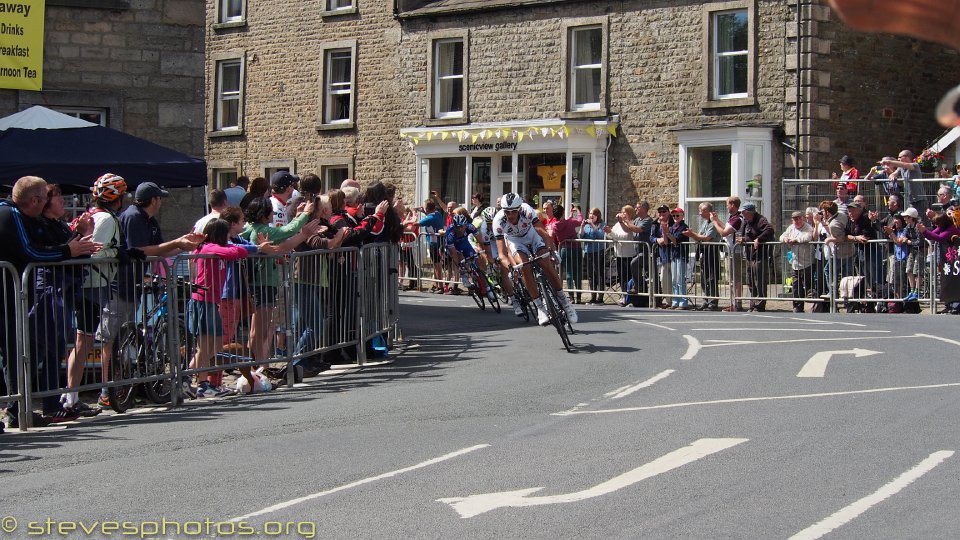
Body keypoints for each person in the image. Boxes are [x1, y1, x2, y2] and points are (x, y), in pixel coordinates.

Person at [2, 178, 100, 428]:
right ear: (34, 201)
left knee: (18, 354)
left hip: (15, 294)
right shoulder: (10, 214)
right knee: (16, 353)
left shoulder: (23, 217)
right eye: (45, 198)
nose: (47, 204)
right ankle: (15, 408)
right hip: (7, 295)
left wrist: (74, 243)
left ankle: (17, 410)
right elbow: (31, 251)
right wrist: (69, 251)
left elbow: (43, 247)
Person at [187, 219, 270, 398]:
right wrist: (257, 248)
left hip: (211, 301)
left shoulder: (216, 249)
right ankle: (192, 381)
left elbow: (235, 250)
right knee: (205, 345)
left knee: (215, 342)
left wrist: (253, 248)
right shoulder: (208, 247)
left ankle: (197, 381)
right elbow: (234, 252)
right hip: (203, 300)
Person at [239, 197, 320, 364]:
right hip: (263, 282)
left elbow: (283, 241)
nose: (273, 214)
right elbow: (287, 231)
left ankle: (256, 364)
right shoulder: (262, 230)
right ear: (264, 214)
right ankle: (258, 366)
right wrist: (305, 214)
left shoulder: (250, 228)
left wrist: (299, 217)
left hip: (258, 282)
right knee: (259, 331)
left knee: (257, 329)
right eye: (270, 212)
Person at [493, 193, 577, 325]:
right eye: (507, 212)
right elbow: (502, 254)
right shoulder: (498, 221)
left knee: (545, 262)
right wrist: (510, 266)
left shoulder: (527, 210)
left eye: (514, 211)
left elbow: (542, 232)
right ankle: (540, 308)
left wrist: (551, 250)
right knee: (524, 267)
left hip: (533, 236)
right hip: (516, 242)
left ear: (519, 208)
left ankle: (565, 302)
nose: (510, 215)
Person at [684, 202, 722, 311]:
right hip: (704, 252)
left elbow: (706, 237)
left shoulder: (714, 224)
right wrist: (694, 235)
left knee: (712, 278)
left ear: (709, 211)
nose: (700, 213)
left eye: (702, 210)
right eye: (699, 210)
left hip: (712, 252)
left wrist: (692, 235)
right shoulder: (705, 223)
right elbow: (699, 236)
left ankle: (713, 302)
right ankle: (706, 300)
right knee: (704, 278)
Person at [737, 203, 775, 312]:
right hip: (750, 255)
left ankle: (760, 305)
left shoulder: (761, 219)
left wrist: (759, 238)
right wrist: (743, 239)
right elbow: (746, 235)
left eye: (744, 212)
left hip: (760, 255)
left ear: (750, 212)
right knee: (750, 281)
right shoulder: (746, 222)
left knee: (760, 281)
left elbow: (769, 230)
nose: (743, 214)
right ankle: (752, 304)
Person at [710, 196, 745, 311]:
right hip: (730, 250)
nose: (726, 207)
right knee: (732, 278)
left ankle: (737, 303)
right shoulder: (733, 217)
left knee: (736, 278)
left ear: (733, 205)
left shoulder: (737, 219)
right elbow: (727, 228)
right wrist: (717, 219)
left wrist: (714, 222)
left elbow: (724, 233)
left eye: (727, 205)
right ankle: (733, 302)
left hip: (735, 251)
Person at [603, 205, 640, 307]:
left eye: (625, 212)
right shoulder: (618, 224)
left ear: (630, 214)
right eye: (622, 212)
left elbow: (624, 236)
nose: (622, 214)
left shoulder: (630, 224)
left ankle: (629, 298)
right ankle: (624, 296)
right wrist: (608, 232)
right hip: (619, 254)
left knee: (628, 277)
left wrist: (611, 233)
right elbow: (613, 235)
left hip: (628, 254)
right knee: (622, 277)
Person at [780, 211, 815, 312]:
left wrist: (795, 240)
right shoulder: (791, 227)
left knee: (809, 285)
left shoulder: (808, 227)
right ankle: (797, 306)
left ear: (802, 218)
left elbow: (808, 237)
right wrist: (786, 239)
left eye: (799, 218)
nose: (797, 221)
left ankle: (812, 306)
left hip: (807, 262)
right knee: (796, 286)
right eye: (795, 219)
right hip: (795, 262)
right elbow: (782, 236)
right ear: (792, 220)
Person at [821, 200, 856, 299]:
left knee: (828, 270)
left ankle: (833, 292)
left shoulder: (833, 224)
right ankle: (847, 297)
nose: (822, 213)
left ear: (828, 212)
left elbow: (842, 237)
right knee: (847, 276)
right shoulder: (841, 215)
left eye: (823, 211)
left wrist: (831, 239)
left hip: (841, 253)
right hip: (849, 251)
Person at [550, 204, 582, 304]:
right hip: (575, 248)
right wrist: (578, 211)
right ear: (563, 212)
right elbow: (579, 221)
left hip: (563, 248)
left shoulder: (555, 225)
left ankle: (571, 296)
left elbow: (564, 223)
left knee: (568, 272)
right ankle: (579, 296)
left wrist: (570, 216)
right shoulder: (570, 222)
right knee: (577, 272)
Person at [417, 197, 446, 293]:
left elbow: (417, 224)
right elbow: (430, 217)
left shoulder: (430, 218)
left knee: (437, 265)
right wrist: (424, 212)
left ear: (427, 208)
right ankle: (437, 285)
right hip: (438, 242)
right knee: (436, 264)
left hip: (434, 243)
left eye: (425, 207)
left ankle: (440, 286)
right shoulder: (437, 214)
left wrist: (414, 213)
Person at [579, 207, 606, 305]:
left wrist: (592, 225)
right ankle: (593, 296)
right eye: (590, 213)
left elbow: (600, 235)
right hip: (588, 251)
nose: (590, 216)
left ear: (597, 216)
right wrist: (582, 227)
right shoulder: (587, 225)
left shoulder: (601, 224)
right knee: (591, 275)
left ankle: (601, 297)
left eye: (593, 214)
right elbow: (581, 236)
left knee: (599, 274)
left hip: (598, 251)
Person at [667, 208, 691, 309]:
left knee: (680, 279)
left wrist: (667, 233)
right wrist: (666, 233)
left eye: (678, 215)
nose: (676, 217)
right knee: (674, 280)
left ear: (682, 216)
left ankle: (683, 302)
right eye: (674, 216)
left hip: (681, 255)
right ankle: (675, 301)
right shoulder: (672, 227)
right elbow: (667, 241)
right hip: (674, 254)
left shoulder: (684, 227)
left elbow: (676, 240)